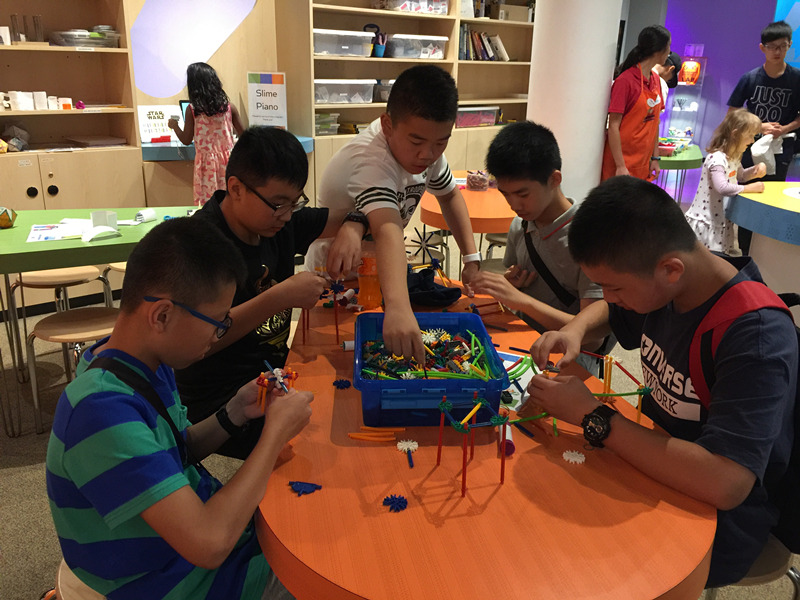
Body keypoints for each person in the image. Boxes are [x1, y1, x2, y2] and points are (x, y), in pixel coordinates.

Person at [527, 176, 796, 588]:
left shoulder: (756, 337)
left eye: (614, 287)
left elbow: (726, 483)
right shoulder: (674, 282)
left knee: (570, 569)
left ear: (671, 269)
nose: (608, 296)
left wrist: (593, 416)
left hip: (714, 518)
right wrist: (577, 329)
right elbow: (613, 312)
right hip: (644, 463)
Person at [46, 217, 313, 599]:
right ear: (162, 315)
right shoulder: (99, 412)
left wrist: (235, 410)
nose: (218, 335)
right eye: (217, 322)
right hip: (181, 581)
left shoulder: (139, 362)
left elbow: (174, 450)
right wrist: (275, 434)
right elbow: (209, 543)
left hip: (199, 551)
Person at [176, 126, 365, 458]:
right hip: (220, 401)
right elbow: (194, 343)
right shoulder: (200, 244)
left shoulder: (277, 222)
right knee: (320, 449)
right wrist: (280, 297)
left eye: (295, 202)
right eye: (278, 204)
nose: (287, 215)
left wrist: (353, 225)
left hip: (274, 375)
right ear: (236, 188)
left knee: (349, 405)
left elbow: (358, 214)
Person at [305, 64, 481, 363]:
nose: (428, 154)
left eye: (441, 142)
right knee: (341, 359)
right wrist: (399, 308)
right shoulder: (371, 159)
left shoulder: (426, 148)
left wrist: (471, 258)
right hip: (337, 276)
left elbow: (450, 194)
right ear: (387, 125)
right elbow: (387, 228)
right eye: (417, 142)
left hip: (382, 271)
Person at [467, 120, 609, 374]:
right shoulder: (520, 226)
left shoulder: (592, 238)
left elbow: (592, 339)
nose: (514, 205)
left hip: (568, 364)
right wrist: (510, 286)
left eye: (523, 194)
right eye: (505, 194)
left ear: (554, 179)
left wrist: (522, 301)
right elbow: (519, 289)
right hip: (523, 349)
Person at [728, 20, 800, 253]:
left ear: (789, 45)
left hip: (781, 148)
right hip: (750, 146)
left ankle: (765, 251)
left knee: (772, 197)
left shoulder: (796, 79)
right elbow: (733, 113)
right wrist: (759, 126)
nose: (777, 51)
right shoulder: (750, 78)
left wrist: (785, 128)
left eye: (782, 46)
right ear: (762, 48)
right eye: (772, 47)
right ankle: (745, 249)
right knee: (748, 195)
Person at [684, 109, 766, 254]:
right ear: (735, 134)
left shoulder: (734, 156)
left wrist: (755, 171)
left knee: (718, 256)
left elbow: (740, 176)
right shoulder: (717, 159)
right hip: (707, 219)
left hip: (721, 217)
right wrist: (749, 188)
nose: (752, 141)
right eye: (750, 136)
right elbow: (722, 187)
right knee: (706, 258)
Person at [168, 62, 246, 206]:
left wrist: (174, 126)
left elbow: (186, 139)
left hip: (206, 165)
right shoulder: (229, 108)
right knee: (230, 201)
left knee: (209, 204)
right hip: (229, 162)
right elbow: (245, 136)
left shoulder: (193, 110)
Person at [601, 25, 671, 182]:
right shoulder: (625, 81)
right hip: (621, 164)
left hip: (643, 164)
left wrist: (655, 158)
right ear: (658, 51)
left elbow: (655, 122)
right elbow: (613, 126)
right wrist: (620, 166)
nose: (669, 52)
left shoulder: (656, 80)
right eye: (668, 46)